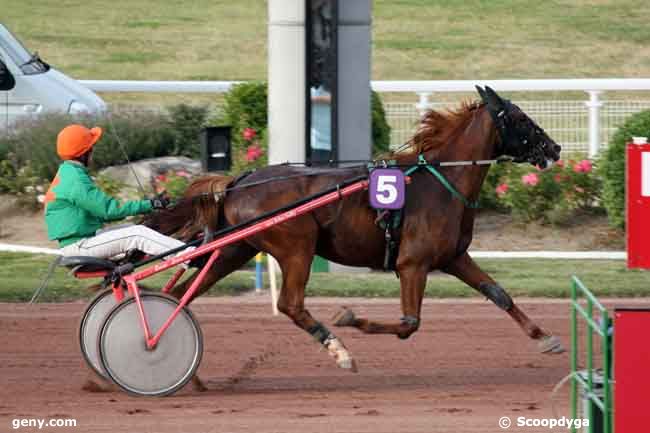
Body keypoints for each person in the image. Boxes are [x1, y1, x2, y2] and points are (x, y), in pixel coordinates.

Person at [44, 124, 190, 260]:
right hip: (80, 246)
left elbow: (100, 214)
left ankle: (183, 255)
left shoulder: (68, 173)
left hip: (80, 241)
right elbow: (109, 210)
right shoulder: (75, 179)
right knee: (138, 234)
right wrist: (150, 204)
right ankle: (190, 256)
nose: (93, 152)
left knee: (137, 229)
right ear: (84, 153)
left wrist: (149, 205)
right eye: (92, 148)